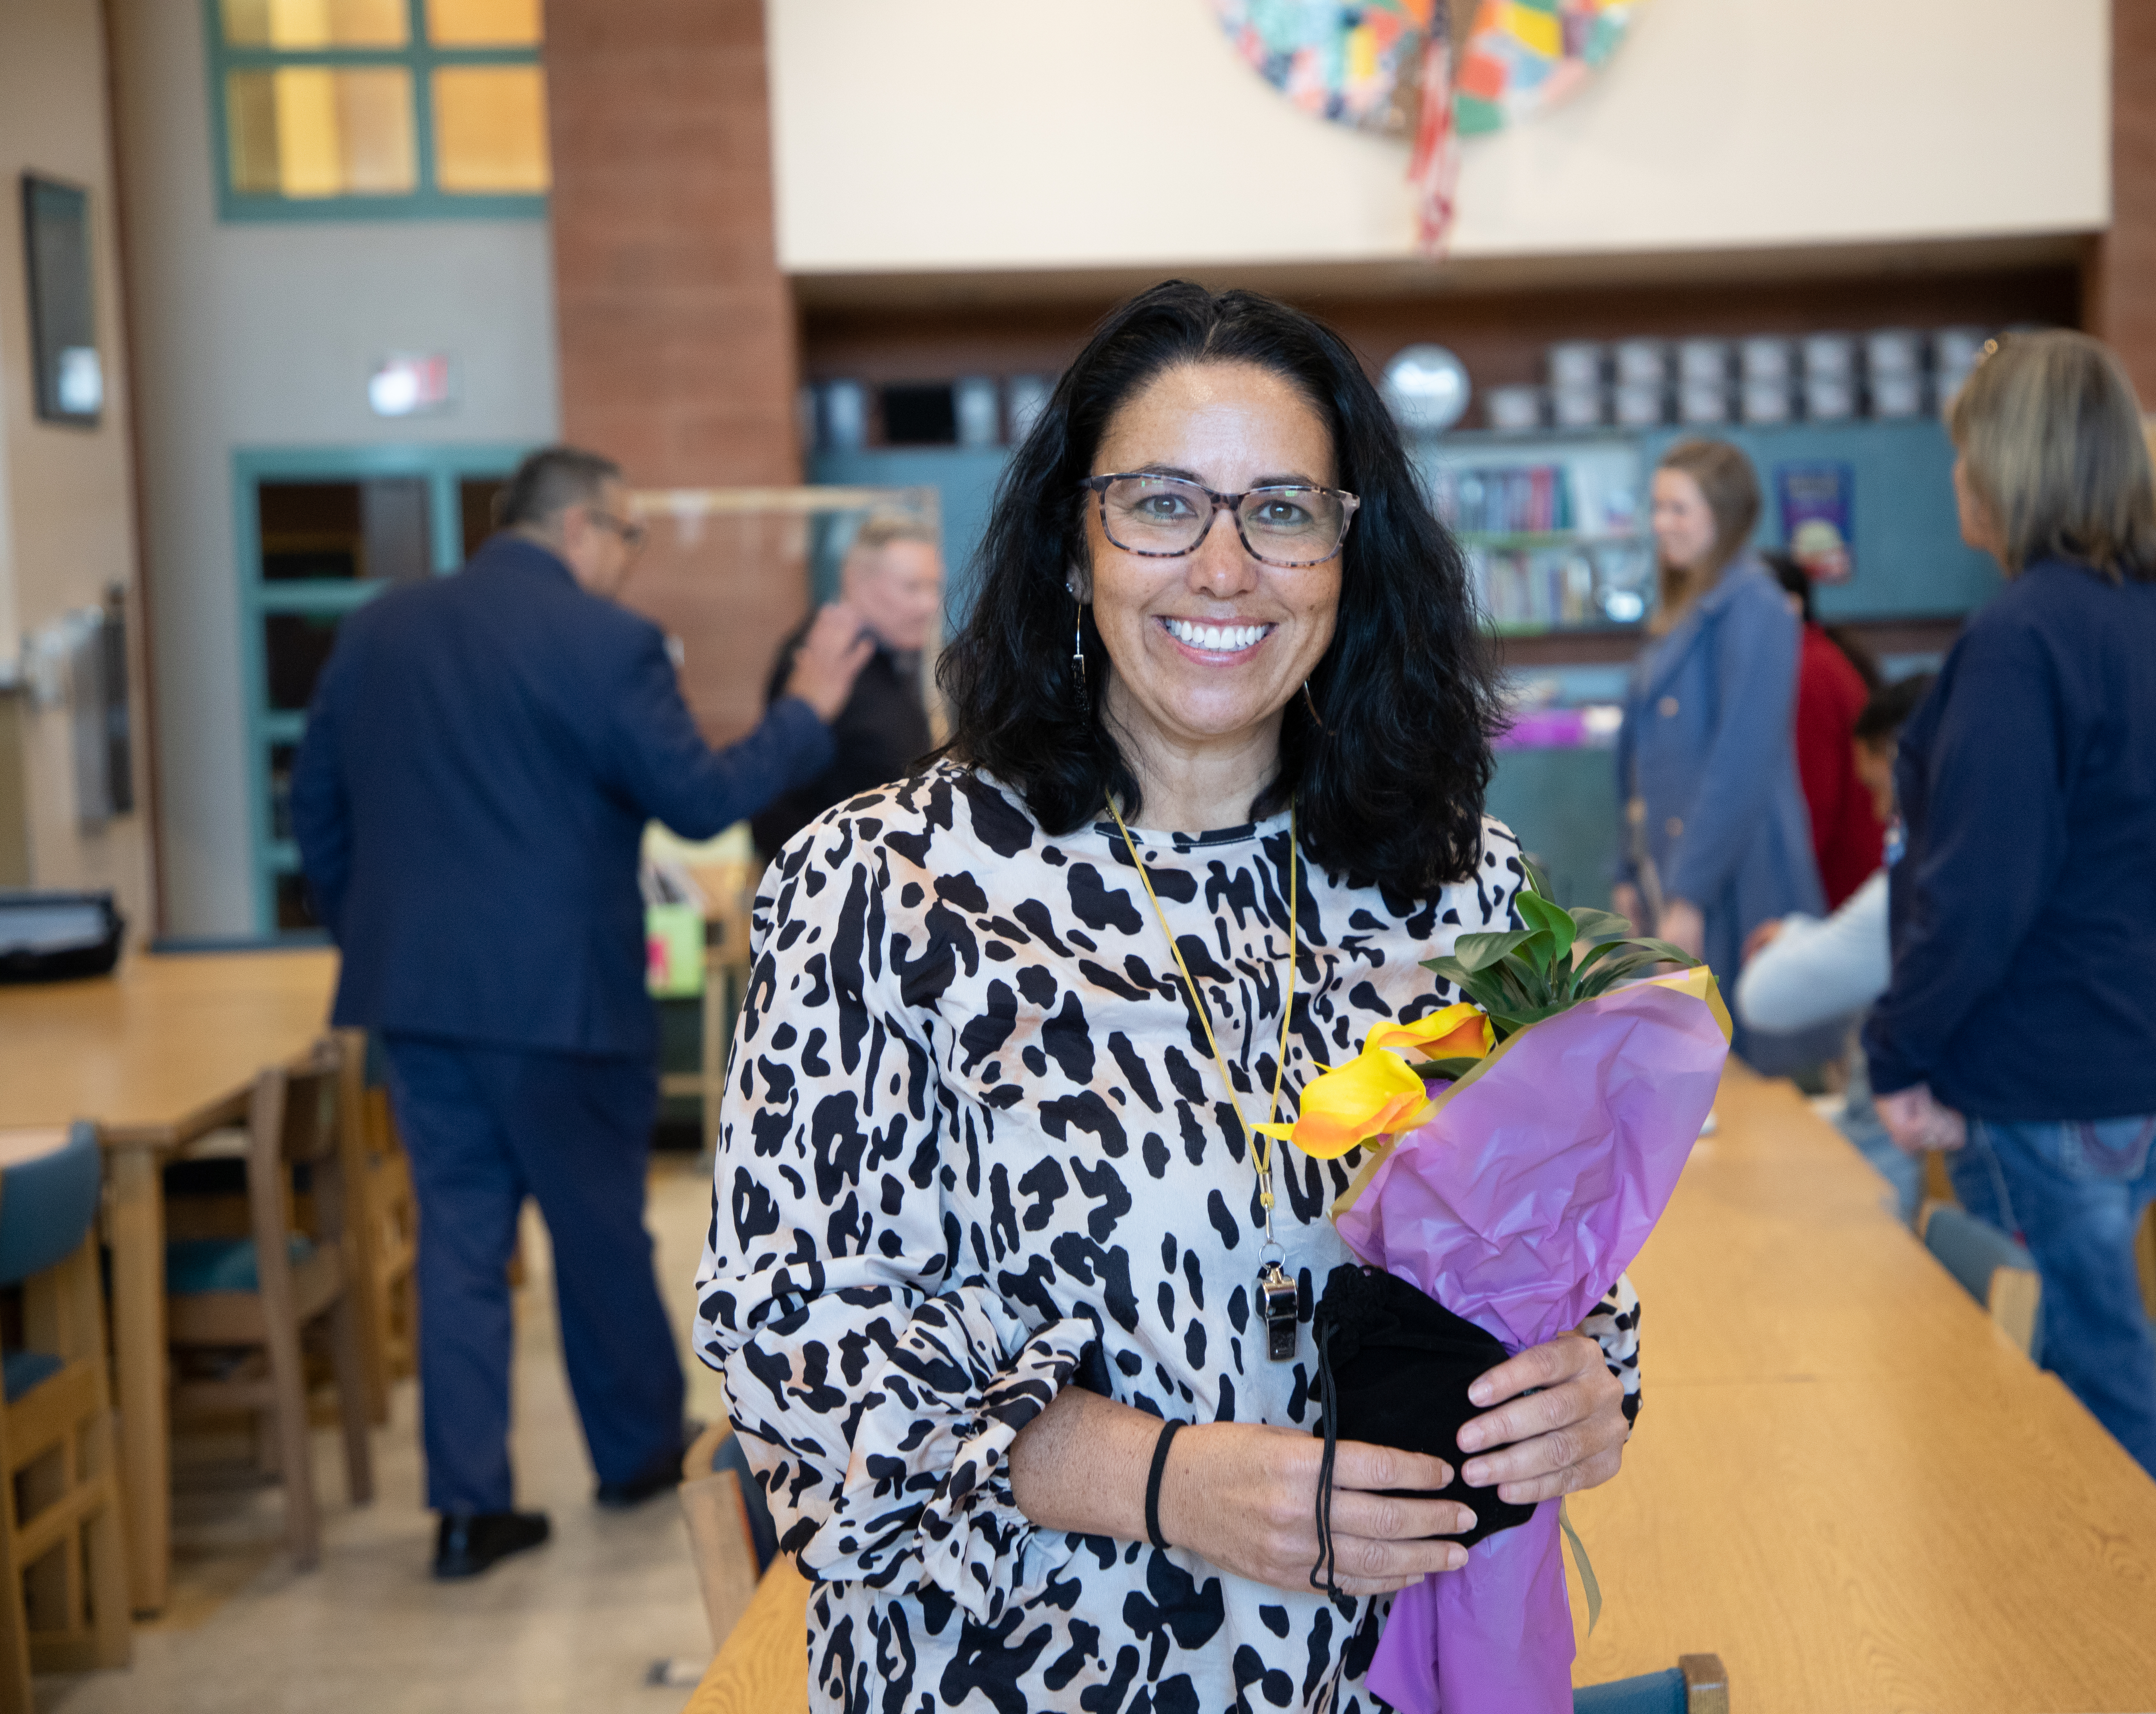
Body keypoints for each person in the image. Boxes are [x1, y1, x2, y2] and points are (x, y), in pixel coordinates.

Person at [694, 283, 1642, 1714]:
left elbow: (1572, 1265)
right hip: (1019, 1675)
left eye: (1282, 510)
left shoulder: (1458, 897)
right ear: (1075, 549)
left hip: (1391, 1675)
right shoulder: (883, 888)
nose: (1224, 566)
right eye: (1160, 506)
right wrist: (1162, 1481)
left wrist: (1585, 1391)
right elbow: (792, 1346)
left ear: (1346, 554)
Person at [290, 446, 870, 1579]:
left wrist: (372, 937)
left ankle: (467, 1514)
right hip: (564, 1002)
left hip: (418, 999)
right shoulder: (608, 644)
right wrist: (807, 715)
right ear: (583, 531)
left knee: (458, 1251)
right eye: (631, 537)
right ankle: (638, 1458)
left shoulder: (379, 628)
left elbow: (315, 800)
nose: (629, 562)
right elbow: (699, 798)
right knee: (597, 1233)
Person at [1861, 332, 2156, 1515]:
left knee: (2094, 1403)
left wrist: (1899, 1050)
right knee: (2084, 1378)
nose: (1956, 476)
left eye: (1968, 451)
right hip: (2153, 1071)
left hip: (2052, 1082)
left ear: (2011, 468)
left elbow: (1981, 887)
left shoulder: (2022, 639)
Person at [1612, 438, 1823, 1070]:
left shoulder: (1755, 604)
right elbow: (1643, 761)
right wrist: (1628, 868)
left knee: (1743, 1073)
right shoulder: (1683, 606)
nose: (1661, 525)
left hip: (1734, 872)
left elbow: (1740, 763)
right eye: (1656, 508)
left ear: (1724, 516)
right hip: (1676, 870)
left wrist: (1689, 895)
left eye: (1679, 510)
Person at [1736, 673, 1934, 1217]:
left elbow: (1764, 998)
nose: (1875, 815)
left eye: (1877, 788)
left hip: (1884, 1179)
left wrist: (1797, 939)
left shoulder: (1913, 886)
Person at [750, 509, 945, 862]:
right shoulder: (819, 660)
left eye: (935, 587)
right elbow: (775, 797)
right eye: (912, 587)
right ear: (856, 582)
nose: (929, 605)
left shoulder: (890, 655)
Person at [1765, 550, 1884, 910]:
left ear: (1792, 606)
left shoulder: (1807, 673)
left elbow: (1814, 806)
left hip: (1838, 889)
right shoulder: (1815, 658)